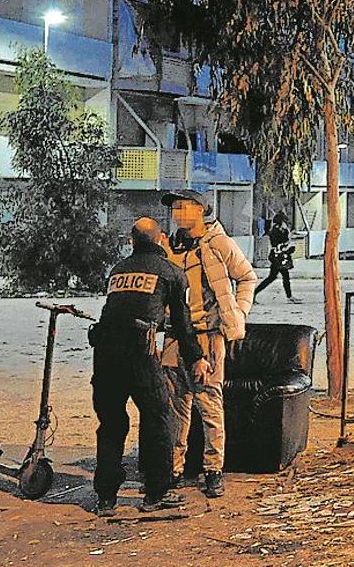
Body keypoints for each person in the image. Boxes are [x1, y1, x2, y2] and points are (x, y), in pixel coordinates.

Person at [90, 218, 209, 517]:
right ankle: (156, 493)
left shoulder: (118, 270)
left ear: (132, 242)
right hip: (140, 355)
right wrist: (197, 357)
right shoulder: (171, 272)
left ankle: (106, 498)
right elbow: (183, 325)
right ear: (161, 240)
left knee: (111, 425)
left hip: (105, 356)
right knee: (158, 418)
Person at [159, 190, 257, 498]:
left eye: (182, 207)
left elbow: (247, 277)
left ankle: (213, 470)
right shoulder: (171, 247)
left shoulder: (218, 243)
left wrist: (237, 314)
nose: (176, 213)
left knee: (210, 406)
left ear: (200, 210)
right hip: (176, 336)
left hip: (208, 335)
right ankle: (174, 469)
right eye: (174, 208)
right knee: (176, 408)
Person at [255, 211, 299, 302]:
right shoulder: (279, 230)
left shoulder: (274, 229)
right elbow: (282, 243)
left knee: (278, 276)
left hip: (277, 256)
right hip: (279, 257)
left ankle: (289, 296)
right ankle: (254, 293)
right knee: (275, 277)